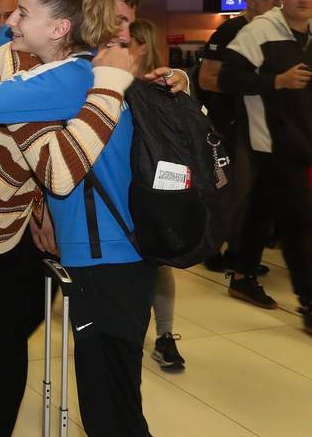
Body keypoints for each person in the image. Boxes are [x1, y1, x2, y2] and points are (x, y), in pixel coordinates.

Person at [0, 0, 156, 437]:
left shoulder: (72, 77)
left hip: (106, 260)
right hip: (119, 256)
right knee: (114, 400)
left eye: (23, 14)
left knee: (111, 412)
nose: (11, 22)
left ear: (62, 26)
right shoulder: (92, 72)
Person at [219, 0, 312, 333]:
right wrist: (277, 81)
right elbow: (226, 78)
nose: (303, 0)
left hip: (303, 138)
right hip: (272, 141)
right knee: (297, 221)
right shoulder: (259, 31)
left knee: (263, 206)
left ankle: (242, 274)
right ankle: (308, 302)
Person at [198, 0, 281, 276]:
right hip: (230, 122)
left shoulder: (274, 32)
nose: (277, 5)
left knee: (254, 191)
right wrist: (252, 85)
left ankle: (239, 252)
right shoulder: (230, 30)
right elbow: (206, 79)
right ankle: (214, 249)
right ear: (252, 2)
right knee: (233, 190)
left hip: (261, 122)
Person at [128, 19, 186, 372]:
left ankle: (164, 335)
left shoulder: (164, 85)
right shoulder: (106, 82)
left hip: (155, 185)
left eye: (128, 43)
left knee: (158, 262)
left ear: (144, 46)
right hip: (121, 186)